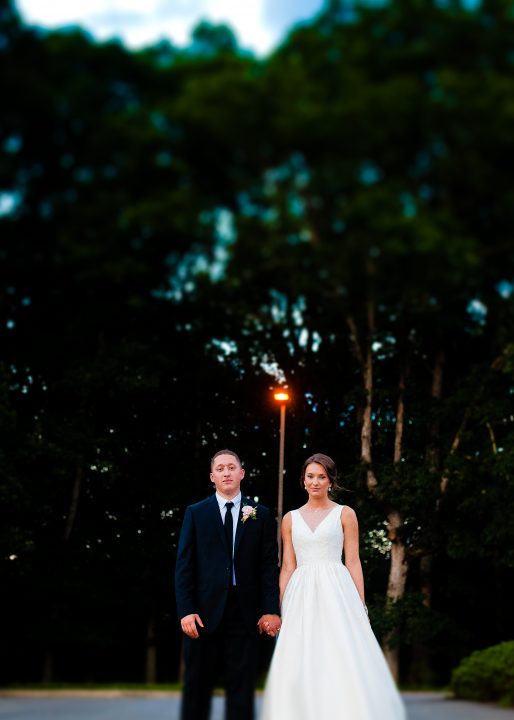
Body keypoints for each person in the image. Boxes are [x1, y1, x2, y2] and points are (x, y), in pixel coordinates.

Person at [260, 453, 406, 720]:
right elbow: (288, 566)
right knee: (302, 655)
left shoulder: (345, 513)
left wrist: (360, 604)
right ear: (303, 480)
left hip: (336, 590)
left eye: (321, 477)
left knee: (338, 652)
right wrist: (278, 607)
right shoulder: (290, 519)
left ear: (330, 481)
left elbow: (352, 561)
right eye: (310, 476)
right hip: (301, 592)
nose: (315, 482)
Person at [175, 449, 281, 720]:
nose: (226, 472)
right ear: (212, 477)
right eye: (220, 469)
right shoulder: (196, 513)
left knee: (241, 688)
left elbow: (269, 566)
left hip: (246, 613)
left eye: (231, 467)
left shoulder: (261, 514)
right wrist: (186, 609)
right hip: (203, 613)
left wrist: (270, 609)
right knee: (197, 687)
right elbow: (184, 566)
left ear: (242, 473)